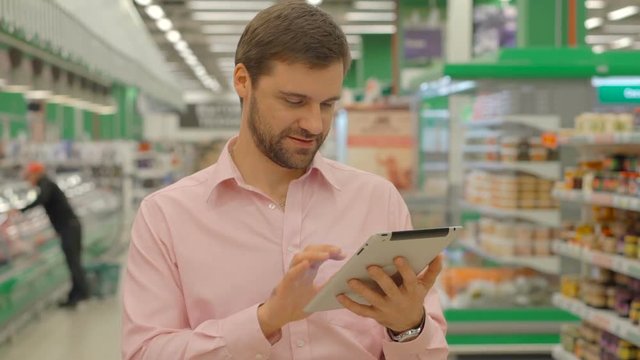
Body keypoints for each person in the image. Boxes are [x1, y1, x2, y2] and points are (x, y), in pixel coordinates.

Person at [122, 2, 447, 359]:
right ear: (243, 81)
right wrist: (265, 320)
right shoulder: (167, 216)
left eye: (326, 105)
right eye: (294, 101)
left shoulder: (377, 201)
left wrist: (408, 327)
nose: (314, 124)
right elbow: (144, 353)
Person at [15, 162, 89, 308]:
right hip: (69, 228)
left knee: (74, 263)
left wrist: (21, 210)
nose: (28, 180)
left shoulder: (46, 184)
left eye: (29, 176)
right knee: (74, 263)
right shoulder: (47, 184)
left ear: (36, 174)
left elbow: (41, 199)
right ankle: (78, 293)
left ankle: (79, 294)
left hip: (69, 229)